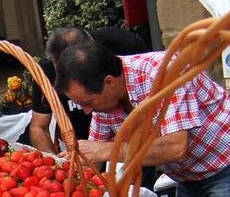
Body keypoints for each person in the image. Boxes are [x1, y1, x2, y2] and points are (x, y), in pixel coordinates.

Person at [54, 42, 230, 197]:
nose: (87, 111)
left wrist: (108, 150)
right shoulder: (104, 101)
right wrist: (62, 183)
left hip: (227, 162)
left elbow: (176, 148)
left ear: (109, 82)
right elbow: (92, 161)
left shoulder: (164, 73)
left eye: (88, 102)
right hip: (187, 175)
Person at [30, 26, 149, 154]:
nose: (87, 111)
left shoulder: (126, 48)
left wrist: (107, 150)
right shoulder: (45, 71)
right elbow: (39, 126)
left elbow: (170, 145)